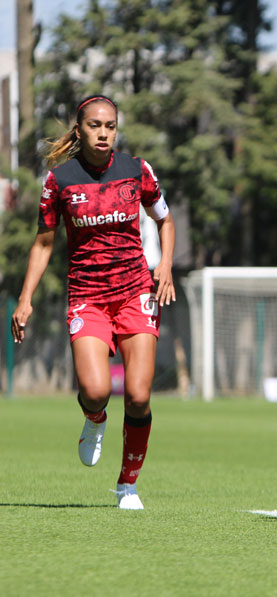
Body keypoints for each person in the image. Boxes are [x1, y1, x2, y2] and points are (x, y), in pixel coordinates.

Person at [11, 95, 176, 509]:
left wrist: (165, 265)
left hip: (135, 291)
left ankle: (127, 486)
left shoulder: (137, 170)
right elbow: (43, 242)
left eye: (110, 126)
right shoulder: (59, 181)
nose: (103, 133)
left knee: (138, 396)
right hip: (88, 297)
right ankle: (94, 418)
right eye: (95, 125)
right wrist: (25, 298)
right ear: (79, 129)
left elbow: (165, 219)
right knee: (96, 390)